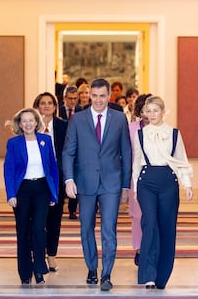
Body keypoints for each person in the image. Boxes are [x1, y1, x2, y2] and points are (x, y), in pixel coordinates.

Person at [62, 77, 132, 291]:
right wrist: (69, 178)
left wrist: (126, 185)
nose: (99, 100)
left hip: (111, 183)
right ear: (89, 95)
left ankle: (107, 273)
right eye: (94, 96)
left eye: (103, 96)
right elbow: (68, 151)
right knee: (86, 228)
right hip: (85, 182)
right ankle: (92, 268)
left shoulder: (120, 119)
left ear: (109, 96)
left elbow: (126, 153)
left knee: (109, 229)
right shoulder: (78, 120)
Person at [132, 96, 193, 290]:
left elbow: (181, 159)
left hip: (168, 181)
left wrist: (187, 184)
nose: (151, 115)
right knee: (149, 224)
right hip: (146, 181)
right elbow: (136, 162)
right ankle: (148, 274)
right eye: (148, 111)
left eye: (155, 111)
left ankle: (162, 275)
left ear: (163, 111)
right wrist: (134, 188)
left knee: (167, 227)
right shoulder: (141, 134)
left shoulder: (174, 134)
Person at [3, 108, 59, 285]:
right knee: (23, 231)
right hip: (22, 191)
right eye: (24, 121)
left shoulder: (46, 140)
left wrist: (54, 193)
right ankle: (25, 272)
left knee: (39, 228)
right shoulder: (13, 143)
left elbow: (53, 169)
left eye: (31, 120)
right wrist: (11, 194)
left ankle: (39, 268)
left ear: (37, 122)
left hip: (42, 189)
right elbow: (9, 170)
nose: (28, 124)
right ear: (19, 124)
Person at [33, 92, 68, 273]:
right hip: (36, 179)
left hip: (57, 178)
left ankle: (52, 255)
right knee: (38, 218)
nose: (46, 106)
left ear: (55, 107)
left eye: (50, 103)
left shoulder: (63, 126)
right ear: (37, 106)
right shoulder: (31, 125)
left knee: (54, 218)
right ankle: (38, 255)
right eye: (42, 103)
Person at [128, 93, 152, 266]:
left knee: (153, 215)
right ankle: (139, 249)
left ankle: (151, 247)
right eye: (144, 108)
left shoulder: (162, 129)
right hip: (135, 177)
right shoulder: (131, 128)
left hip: (155, 176)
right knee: (137, 216)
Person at [58, 85, 81, 219]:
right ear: (64, 98)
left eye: (75, 98)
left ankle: (72, 210)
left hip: (76, 149)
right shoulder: (58, 111)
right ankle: (60, 208)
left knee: (74, 178)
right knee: (62, 178)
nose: (72, 101)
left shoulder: (82, 111)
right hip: (62, 148)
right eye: (70, 98)